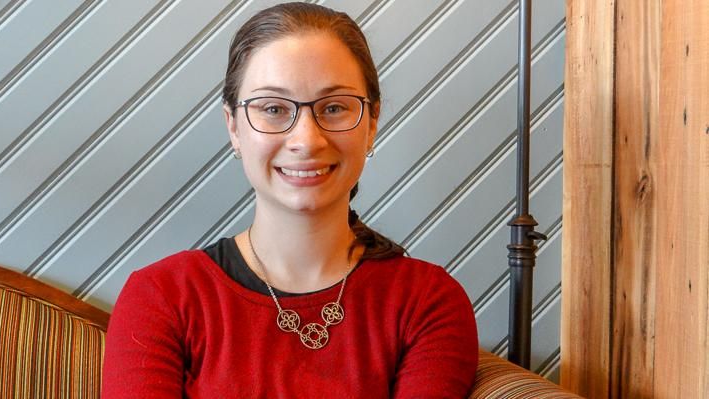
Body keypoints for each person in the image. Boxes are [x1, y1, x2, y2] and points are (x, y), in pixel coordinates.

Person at [102, 2, 478, 397]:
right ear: (233, 126)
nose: (306, 140)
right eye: (273, 109)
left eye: (333, 108)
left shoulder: (427, 302)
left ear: (371, 124)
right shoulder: (162, 297)